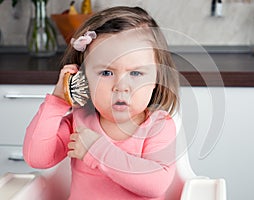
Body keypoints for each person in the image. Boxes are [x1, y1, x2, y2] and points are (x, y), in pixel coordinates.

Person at [23, 6, 179, 200]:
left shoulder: (159, 126)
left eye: (136, 73)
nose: (121, 86)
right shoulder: (80, 121)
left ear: (157, 78)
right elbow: (37, 158)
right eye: (106, 73)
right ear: (83, 78)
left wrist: (97, 151)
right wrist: (57, 101)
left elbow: (156, 184)